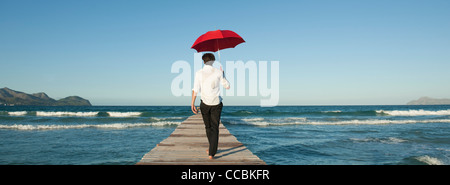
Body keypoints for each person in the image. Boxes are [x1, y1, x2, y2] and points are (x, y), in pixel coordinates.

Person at [191, 53, 230, 159]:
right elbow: (227, 87)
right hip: (216, 103)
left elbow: (195, 89)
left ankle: (212, 149)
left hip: (204, 103)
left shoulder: (199, 73)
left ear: (203, 61)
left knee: (208, 127)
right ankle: (212, 152)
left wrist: (192, 103)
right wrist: (223, 74)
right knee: (215, 127)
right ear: (213, 61)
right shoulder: (218, 72)